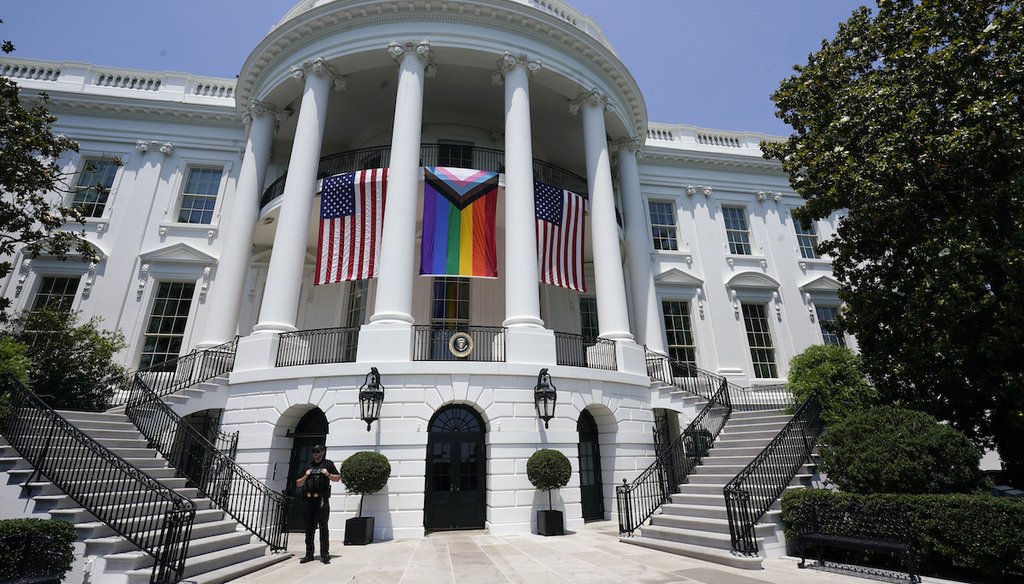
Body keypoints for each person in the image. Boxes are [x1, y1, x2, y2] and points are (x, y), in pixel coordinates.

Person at [295, 444, 340, 563]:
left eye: (317, 451)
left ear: (322, 452)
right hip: (308, 500)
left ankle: (325, 554)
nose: (315, 453)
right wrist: (306, 475)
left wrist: (327, 474)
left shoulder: (328, 464)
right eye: (314, 451)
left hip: (321, 499)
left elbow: (338, 478)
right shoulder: (308, 465)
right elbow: (298, 483)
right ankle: (309, 554)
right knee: (309, 528)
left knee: (323, 527)